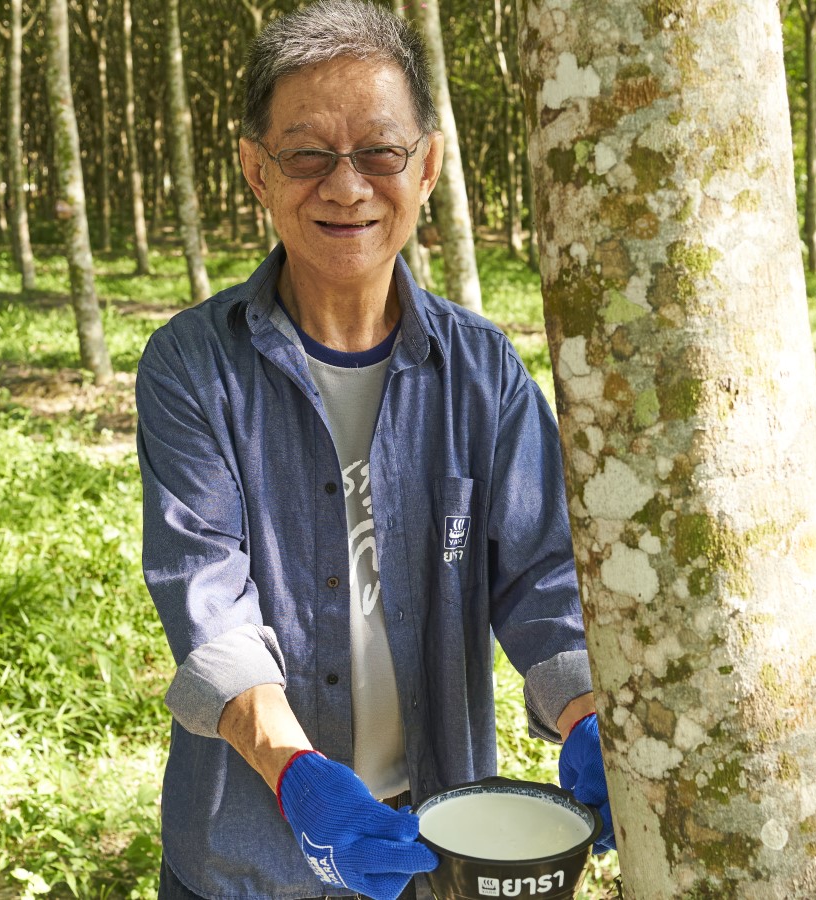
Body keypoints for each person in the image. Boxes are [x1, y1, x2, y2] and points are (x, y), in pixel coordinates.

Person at [136, 2, 612, 897]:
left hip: (440, 843)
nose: (346, 187)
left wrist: (589, 715)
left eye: (380, 153)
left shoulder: (483, 372)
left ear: (426, 166)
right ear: (256, 170)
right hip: (246, 858)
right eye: (307, 155)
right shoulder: (193, 368)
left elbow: (541, 579)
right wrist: (297, 773)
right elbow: (208, 599)